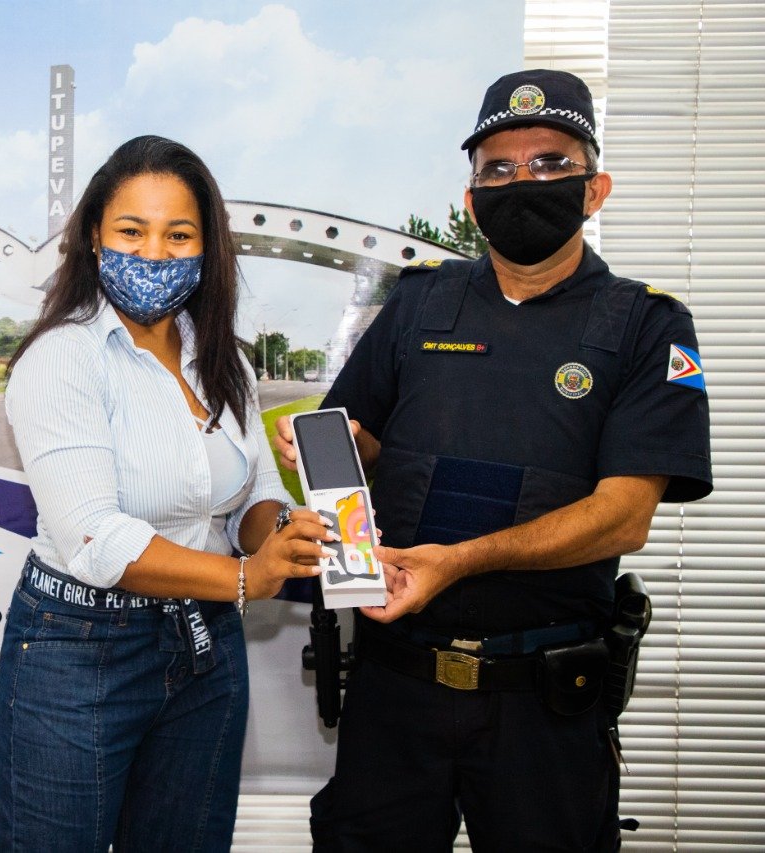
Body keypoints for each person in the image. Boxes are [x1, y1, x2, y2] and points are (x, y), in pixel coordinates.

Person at [274, 70, 713, 851]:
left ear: (595, 187)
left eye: (551, 162)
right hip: (395, 693)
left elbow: (626, 514)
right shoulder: (419, 303)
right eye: (498, 169)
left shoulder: (648, 325)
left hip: (543, 705)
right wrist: (322, 447)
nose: (524, 182)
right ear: (473, 200)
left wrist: (458, 560)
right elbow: (361, 437)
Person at [0, 135, 334, 852]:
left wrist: (285, 535)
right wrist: (247, 577)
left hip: (205, 650)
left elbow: (251, 497)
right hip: (80, 649)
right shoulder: (62, 357)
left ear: (208, 247)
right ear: (93, 235)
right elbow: (95, 537)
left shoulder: (223, 359)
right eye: (131, 230)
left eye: (178, 234)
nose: (153, 253)